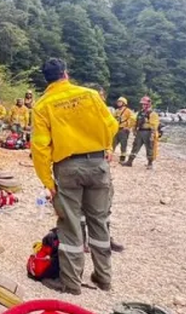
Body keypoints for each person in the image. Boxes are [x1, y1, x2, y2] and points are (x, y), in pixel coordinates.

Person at [30, 58, 119, 295]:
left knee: (70, 224)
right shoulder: (90, 95)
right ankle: (103, 278)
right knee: (99, 221)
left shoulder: (42, 105)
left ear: (46, 80)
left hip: (67, 168)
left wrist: (47, 182)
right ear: (66, 74)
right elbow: (111, 125)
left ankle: (71, 284)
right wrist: (104, 147)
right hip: (98, 163)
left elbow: (40, 147)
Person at [124, 95, 161, 168]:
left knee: (149, 148)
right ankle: (129, 162)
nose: (143, 105)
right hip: (140, 132)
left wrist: (152, 134)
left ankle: (150, 164)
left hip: (148, 132)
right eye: (142, 104)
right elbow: (135, 121)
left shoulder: (152, 113)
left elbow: (154, 125)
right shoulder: (140, 113)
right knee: (135, 146)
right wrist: (134, 129)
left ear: (148, 104)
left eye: (145, 104)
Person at [112, 97, 135, 163]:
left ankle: (122, 158)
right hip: (116, 129)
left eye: (120, 102)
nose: (118, 103)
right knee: (113, 143)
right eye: (118, 102)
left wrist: (128, 126)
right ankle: (109, 156)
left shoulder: (128, 111)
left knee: (123, 144)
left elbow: (133, 119)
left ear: (124, 103)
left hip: (123, 130)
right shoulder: (116, 111)